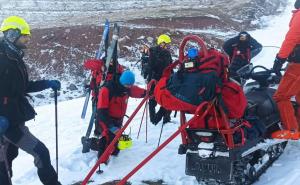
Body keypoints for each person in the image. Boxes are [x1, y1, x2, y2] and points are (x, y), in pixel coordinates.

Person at [0, 16, 61, 185]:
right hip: (7, 124)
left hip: (11, 119)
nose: (28, 38)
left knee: (7, 159)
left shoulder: (13, 57)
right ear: (12, 35)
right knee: (41, 153)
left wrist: (46, 84)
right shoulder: (3, 60)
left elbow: (22, 87)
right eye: (25, 35)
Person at [96, 70, 145, 158]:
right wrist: (111, 126)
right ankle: (101, 159)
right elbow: (101, 112)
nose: (129, 87)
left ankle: (111, 152)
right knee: (107, 141)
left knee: (115, 148)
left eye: (130, 85)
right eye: (128, 85)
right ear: (122, 82)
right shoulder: (107, 90)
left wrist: (147, 93)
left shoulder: (127, 88)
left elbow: (136, 91)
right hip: (107, 120)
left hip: (118, 120)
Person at [271, 0, 300, 139]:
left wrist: (279, 59)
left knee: (282, 96)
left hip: (298, 65)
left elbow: (291, 38)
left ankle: (292, 131)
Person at [84, 58, 124, 136]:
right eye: (110, 60)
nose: (111, 62)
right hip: (97, 96)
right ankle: (99, 134)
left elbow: (122, 78)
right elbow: (87, 63)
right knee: (98, 116)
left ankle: (111, 135)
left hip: (110, 97)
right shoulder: (99, 66)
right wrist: (100, 65)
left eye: (113, 60)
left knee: (109, 117)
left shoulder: (118, 68)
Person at [148, 34, 173, 125]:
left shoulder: (167, 53)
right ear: (161, 43)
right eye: (166, 44)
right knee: (153, 99)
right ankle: (153, 119)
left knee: (167, 98)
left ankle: (166, 118)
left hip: (164, 79)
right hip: (155, 79)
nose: (168, 46)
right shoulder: (153, 52)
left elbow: (170, 66)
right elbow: (151, 67)